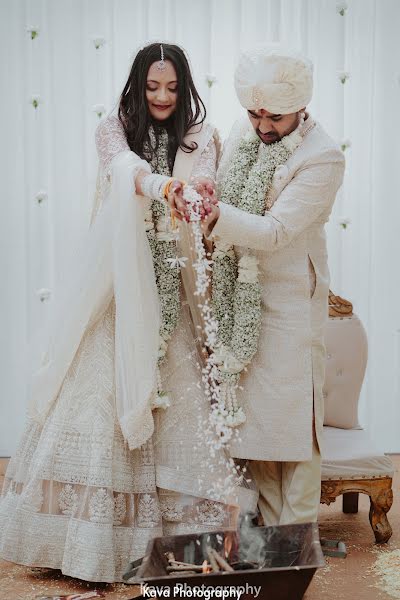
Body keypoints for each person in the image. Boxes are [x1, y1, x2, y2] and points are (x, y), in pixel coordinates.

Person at [0, 43, 255, 583]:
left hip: (175, 291)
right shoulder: (111, 129)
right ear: (137, 87)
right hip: (120, 287)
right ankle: (86, 543)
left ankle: (180, 545)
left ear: (184, 87)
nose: (162, 97)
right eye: (151, 87)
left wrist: (199, 191)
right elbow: (125, 168)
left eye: (171, 87)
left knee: (182, 406)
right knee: (100, 399)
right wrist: (163, 186)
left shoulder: (201, 135)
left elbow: (204, 176)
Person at [201, 45, 345, 526]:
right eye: (254, 113)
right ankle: (268, 540)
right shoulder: (247, 132)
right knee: (255, 422)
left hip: (290, 306)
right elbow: (223, 185)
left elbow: (277, 231)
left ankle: (299, 536)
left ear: (301, 106)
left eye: (275, 117)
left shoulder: (323, 156)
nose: (263, 126)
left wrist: (216, 217)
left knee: (296, 422)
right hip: (242, 299)